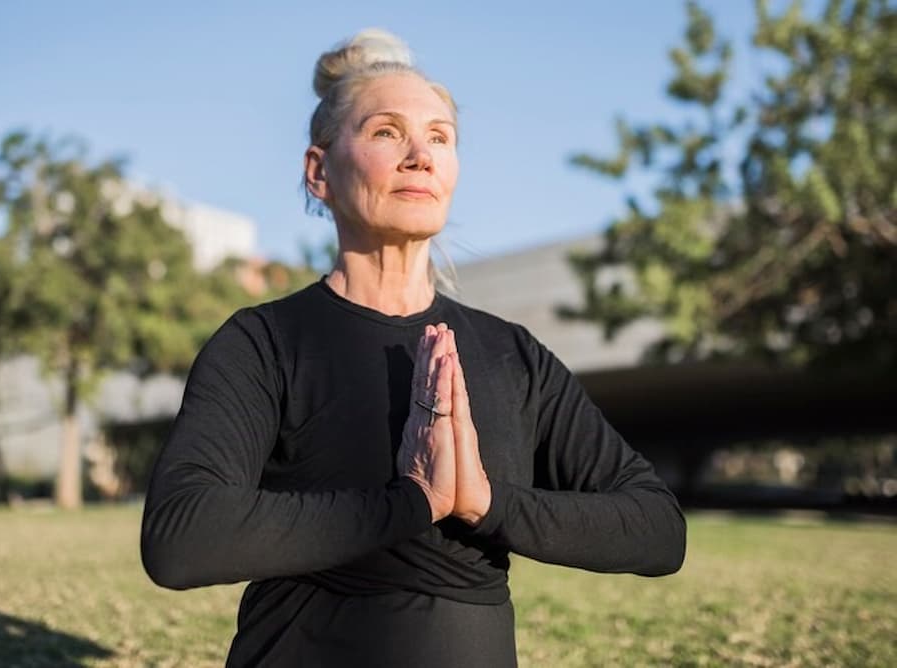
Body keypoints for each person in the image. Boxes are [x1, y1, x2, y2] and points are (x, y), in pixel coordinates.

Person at [140, 29, 686, 667]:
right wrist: (413, 502)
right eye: (386, 132)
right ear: (319, 171)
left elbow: (657, 529)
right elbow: (182, 538)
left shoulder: (513, 355)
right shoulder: (265, 343)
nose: (420, 155)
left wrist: (484, 502)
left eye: (440, 137)